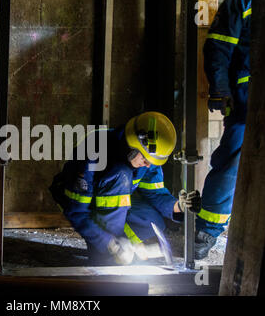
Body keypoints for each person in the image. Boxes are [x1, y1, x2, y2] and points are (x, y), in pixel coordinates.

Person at [50, 112, 201, 265]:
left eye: (152, 161)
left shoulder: (148, 157)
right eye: (145, 159)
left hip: (113, 202)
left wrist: (179, 206)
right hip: (79, 202)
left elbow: (156, 194)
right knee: (120, 174)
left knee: (153, 221)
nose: (148, 165)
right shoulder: (95, 149)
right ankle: (105, 256)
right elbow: (77, 212)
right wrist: (110, 244)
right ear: (132, 145)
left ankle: (125, 246)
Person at [196, 0, 251, 259]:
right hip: (247, 99)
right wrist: (220, 88)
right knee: (232, 162)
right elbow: (218, 45)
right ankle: (207, 231)